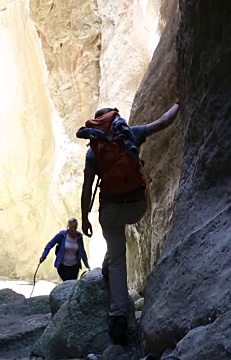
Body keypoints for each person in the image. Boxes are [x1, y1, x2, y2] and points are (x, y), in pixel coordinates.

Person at [77, 102, 180, 345]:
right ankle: (108, 265)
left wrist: (84, 217)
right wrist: (178, 103)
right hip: (137, 207)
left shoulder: (95, 151)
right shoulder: (129, 135)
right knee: (115, 254)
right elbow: (164, 122)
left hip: (111, 210)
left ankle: (118, 317)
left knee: (117, 258)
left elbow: (86, 189)